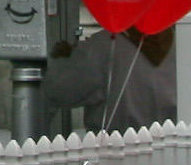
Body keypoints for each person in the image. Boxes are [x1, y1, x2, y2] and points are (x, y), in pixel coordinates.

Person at [41, 25, 177, 130]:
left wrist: (63, 60)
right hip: (170, 154)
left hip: (113, 155)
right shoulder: (184, 44)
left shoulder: (103, 47)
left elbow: (54, 89)